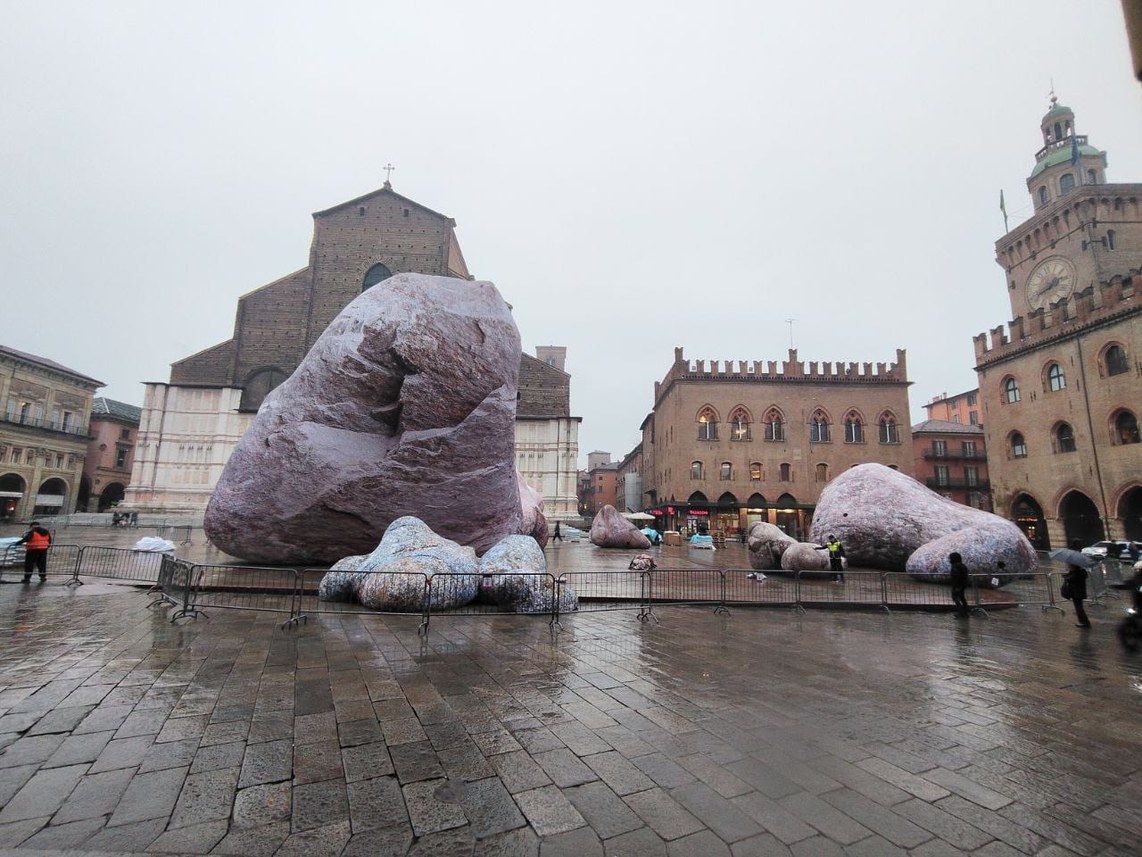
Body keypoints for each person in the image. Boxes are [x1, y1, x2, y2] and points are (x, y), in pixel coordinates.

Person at [1064, 539, 1092, 628]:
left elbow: (1074, 576)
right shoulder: (1080, 557)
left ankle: (1085, 622)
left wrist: (1068, 577)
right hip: (1079, 588)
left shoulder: (1075, 560)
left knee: (1079, 606)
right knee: (1079, 605)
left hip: (1077, 590)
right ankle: (1084, 622)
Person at [948, 552, 970, 618]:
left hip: (958, 585)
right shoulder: (963, 566)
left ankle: (961, 613)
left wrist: (957, 586)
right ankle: (965, 612)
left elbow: (957, 577)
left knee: (955, 598)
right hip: (963, 584)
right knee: (962, 598)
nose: (949, 560)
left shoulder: (955, 566)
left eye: (950, 558)